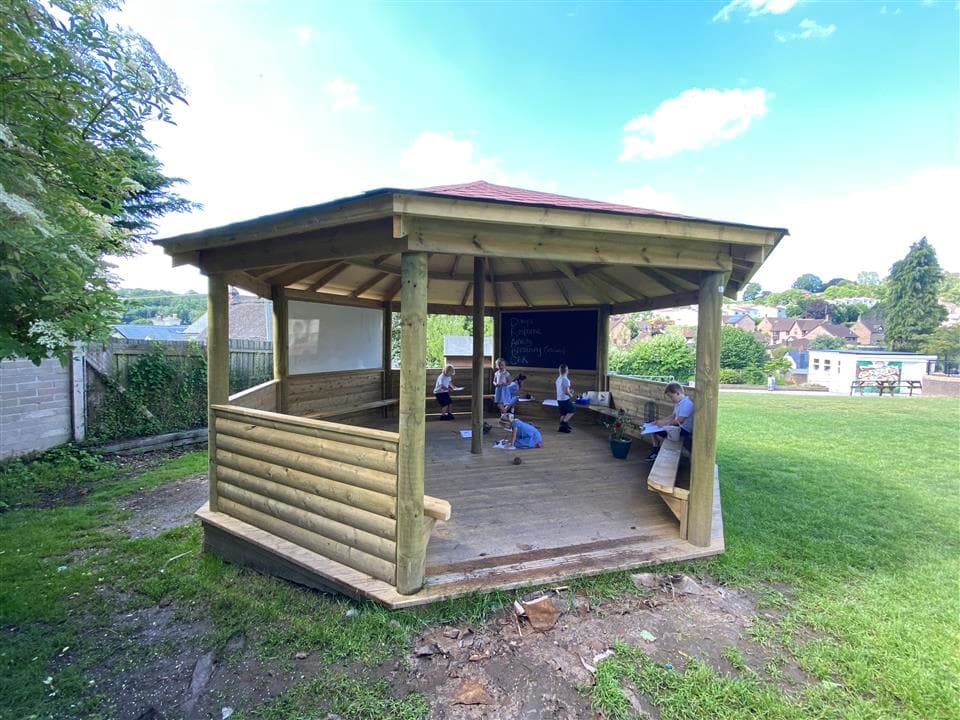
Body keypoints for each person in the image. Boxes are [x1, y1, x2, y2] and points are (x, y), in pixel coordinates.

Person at [644, 382, 693, 460]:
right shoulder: (679, 403)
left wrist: (664, 424)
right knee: (653, 427)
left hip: (683, 430)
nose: (671, 399)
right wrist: (659, 421)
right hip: (677, 428)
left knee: (655, 429)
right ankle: (656, 449)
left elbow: (679, 421)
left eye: (671, 396)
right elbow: (672, 416)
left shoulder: (687, 404)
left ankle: (656, 450)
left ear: (678, 393)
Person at [555, 363, 575, 433]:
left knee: (563, 413)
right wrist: (571, 395)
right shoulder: (566, 380)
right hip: (564, 399)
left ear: (559, 371)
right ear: (567, 370)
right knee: (572, 410)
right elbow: (566, 392)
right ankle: (564, 423)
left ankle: (561, 428)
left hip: (559, 399)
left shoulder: (558, 378)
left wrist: (570, 391)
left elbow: (562, 389)